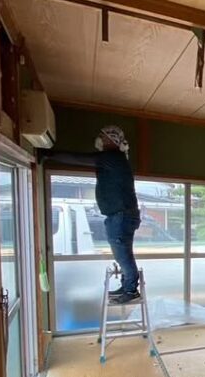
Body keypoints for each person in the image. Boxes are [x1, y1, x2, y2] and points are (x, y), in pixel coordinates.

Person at [40, 126, 141, 304]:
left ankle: (131, 290)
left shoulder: (112, 157)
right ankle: (127, 286)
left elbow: (79, 159)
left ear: (111, 139)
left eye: (102, 136)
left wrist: (50, 154)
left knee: (123, 256)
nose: (99, 139)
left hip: (121, 216)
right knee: (123, 255)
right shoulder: (115, 159)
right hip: (121, 215)